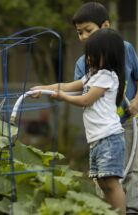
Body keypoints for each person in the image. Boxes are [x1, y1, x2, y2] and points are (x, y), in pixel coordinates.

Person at [31, 28, 126, 215]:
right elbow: (66, 86)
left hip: (109, 138)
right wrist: (43, 88)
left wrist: (62, 97)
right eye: (88, 54)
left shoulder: (107, 76)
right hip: (97, 140)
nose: (88, 59)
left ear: (107, 55)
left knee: (112, 183)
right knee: (102, 182)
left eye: (92, 55)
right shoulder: (92, 76)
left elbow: (85, 100)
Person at [71, 2, 138, 215]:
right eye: (79, 33)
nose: (84, 37)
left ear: (105, 26)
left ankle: (131, 209)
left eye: (88, 30)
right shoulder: (83, 62)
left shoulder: (126, 49)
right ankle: (106, 210)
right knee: (104, 173)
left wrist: (137, 101)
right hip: (102, 130)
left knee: (130, 168)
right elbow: (83, 93)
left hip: (126, 123)